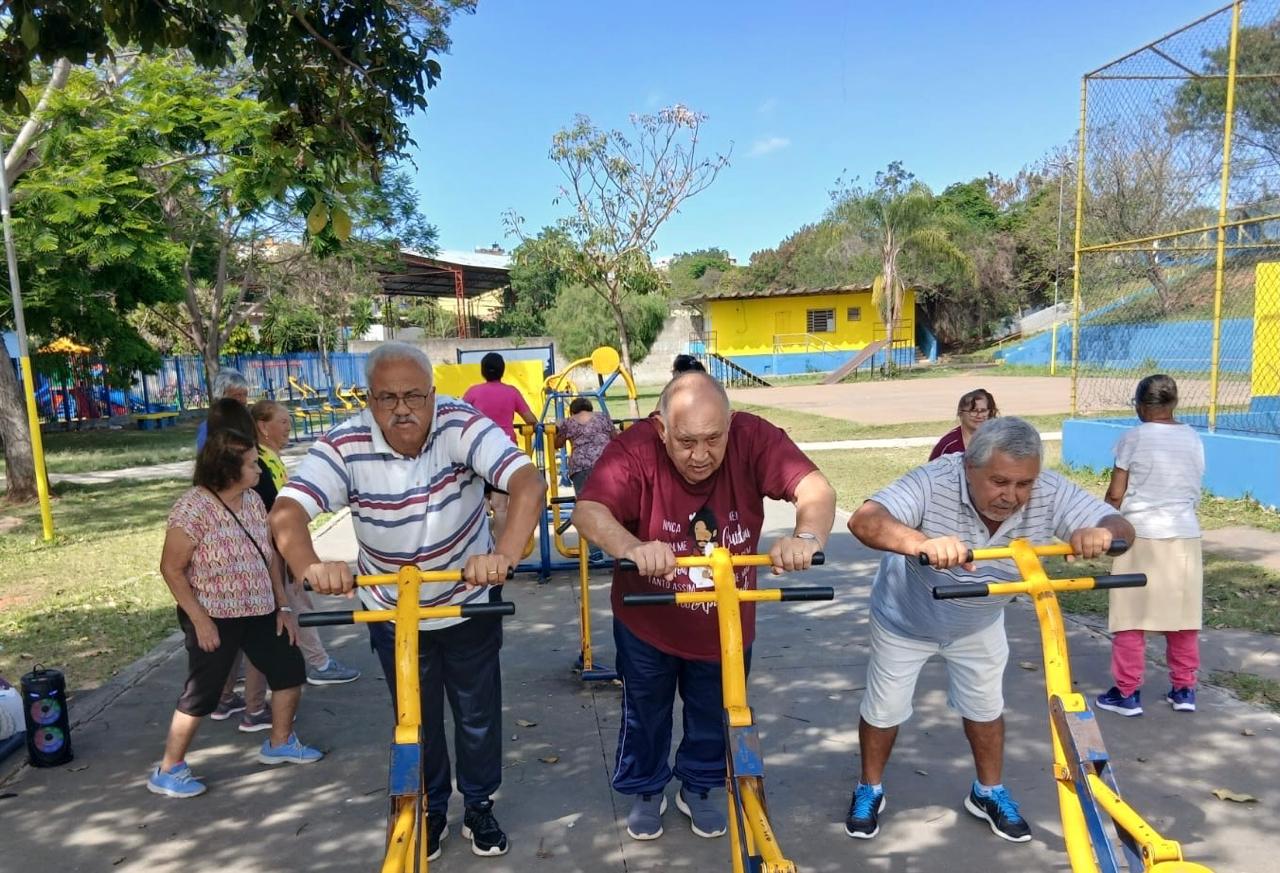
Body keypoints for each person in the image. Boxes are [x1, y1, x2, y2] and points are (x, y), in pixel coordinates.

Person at [269, 342, 546, 861]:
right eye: (387, 397)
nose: (402, 409)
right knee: (413, 719)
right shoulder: (345, 442)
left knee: (477, 714)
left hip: (466, 602)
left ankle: (480, 804)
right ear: (369, 400)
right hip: (393, 611)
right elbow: (286, 512)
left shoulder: (460, 425)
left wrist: (504, 555)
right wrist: (311, 567)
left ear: (433, 395)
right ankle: (432, 805)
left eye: (415, 395)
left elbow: (528, 480)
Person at [572, 371, 836, 842]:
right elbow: (589, 511)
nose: (701, 455)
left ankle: (698, 786)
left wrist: (806, 537)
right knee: (646, 713)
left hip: (726, 623)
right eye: (687, 441)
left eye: (713, 439)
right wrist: (632, 547)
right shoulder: (635, 448)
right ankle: (647, 788)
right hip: (648, 621)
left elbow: (816, 489)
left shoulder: (754, 438)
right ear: (661, 428)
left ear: (731, 425)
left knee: (715, 713)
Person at [844, 417, 1134, 844]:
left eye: (1023, 484)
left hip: (979, 620)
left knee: (984, 708)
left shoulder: (1048, 490)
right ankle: (869, 788)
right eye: (999, 481)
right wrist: (920, 542)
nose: (1012, 496)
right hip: (906, 618)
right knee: (885, 708)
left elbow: (1121, 527)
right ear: (968, 467)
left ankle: (987, 792)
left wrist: (1101, 533)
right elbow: (866, 520)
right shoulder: (935, 479)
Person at [147, 428, 323, 799]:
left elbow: (269, 557)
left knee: (289, 670)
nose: (259, 467)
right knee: (202, 693)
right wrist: (199, 620)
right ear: (228, 469)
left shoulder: (255, 502)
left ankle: (280, 742)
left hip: (261, 610)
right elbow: (171, 568)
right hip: (214, 616)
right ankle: (169, 768)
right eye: (251, 463)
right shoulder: (192, 508)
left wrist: (283, 606)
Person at [1096, 375, 1205, 717]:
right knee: (1184, 616)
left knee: (1131, 615)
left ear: (1142, 406)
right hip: (1185, 535)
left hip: (1139, 535)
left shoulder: (1133, 438)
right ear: (1173, 404)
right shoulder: (1192, 438)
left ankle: (1127, 693)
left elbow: (1116, 493)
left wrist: (1100, 523)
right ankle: (1184, 689)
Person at [250, 400, 361, 694]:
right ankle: (319, 665)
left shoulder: (270, 458)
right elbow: (269, 514)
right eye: (283, 422)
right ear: (263, 427)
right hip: (274, 554)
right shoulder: (258, 463)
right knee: (294, 605)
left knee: (291, 606)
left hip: (279, 552)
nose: (289, 428)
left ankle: (234, 694)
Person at [463, 352, 539, 539]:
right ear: (502, 371)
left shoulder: (473, 392)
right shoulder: (511, 392)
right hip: (504, 453)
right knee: (501, 506)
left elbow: (459, 415)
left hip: (477, 451)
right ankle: (501, 551)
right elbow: (530, 419)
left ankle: (480, 537)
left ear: (482, 371)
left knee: (476, 499)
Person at [554, 397, 615, 562]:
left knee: (585, 508)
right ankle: (615, 548)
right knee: (610, 506)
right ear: (590, 407)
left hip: (581, 467)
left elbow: (557, 444)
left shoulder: (569, 422)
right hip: (605, 464)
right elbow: (614, 437)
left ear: (573, 410)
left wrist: (558, 428)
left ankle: (595, 551)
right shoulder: (602, 417)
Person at [929, 388, 998, 460]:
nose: (979, 415)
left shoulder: (998, 439)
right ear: (960, 413)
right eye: (973, 411)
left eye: (983, 411)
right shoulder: (948, 445)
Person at [196, 369, 250, 452]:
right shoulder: (209, 428)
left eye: (245, 395)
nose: (243, 400)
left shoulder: (249, 423)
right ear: (220, 396)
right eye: (237, 395)